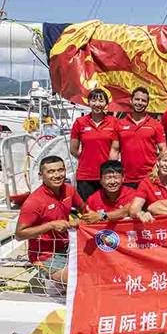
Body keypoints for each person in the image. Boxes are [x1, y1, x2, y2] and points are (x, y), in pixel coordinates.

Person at [15, 156, 86, 284]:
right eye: (51, 172)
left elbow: (84, 209)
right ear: (41, 175)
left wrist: (85, 218)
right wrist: (50, 225)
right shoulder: (34, 202)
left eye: (60, 170)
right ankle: (50, 277)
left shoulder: (69, 189)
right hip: (44, 255)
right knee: (76, 282)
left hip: (69, 245)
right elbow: (19, 235)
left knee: (96, 270)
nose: (57, 175)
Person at [70, 88, 120, 201]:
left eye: (101, 101)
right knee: (87, 211)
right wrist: (86, 158)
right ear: (89, 102)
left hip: (107, 175)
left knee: (106, 209)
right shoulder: (80, 122)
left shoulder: (114, 122)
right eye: (94, 100)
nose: (97, 104)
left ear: (106, 104)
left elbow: (116, 149)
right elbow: (73, 150)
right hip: (85, 175)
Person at [116, 87, 167, 188]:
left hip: (149, 177)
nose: (140, 103)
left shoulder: (155, 125)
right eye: (137, 99)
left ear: (147, 103)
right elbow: (114, 150)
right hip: (126, 178)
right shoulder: (120, 124)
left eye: (143, 101)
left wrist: (158, 170)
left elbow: (163, 150)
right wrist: (113, 172)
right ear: (131, 100)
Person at [128, 150, 167, 222]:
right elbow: (134, 209)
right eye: (164, 160)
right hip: (156, 226)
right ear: (158, 162)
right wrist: (141, 214)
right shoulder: (147, 182)